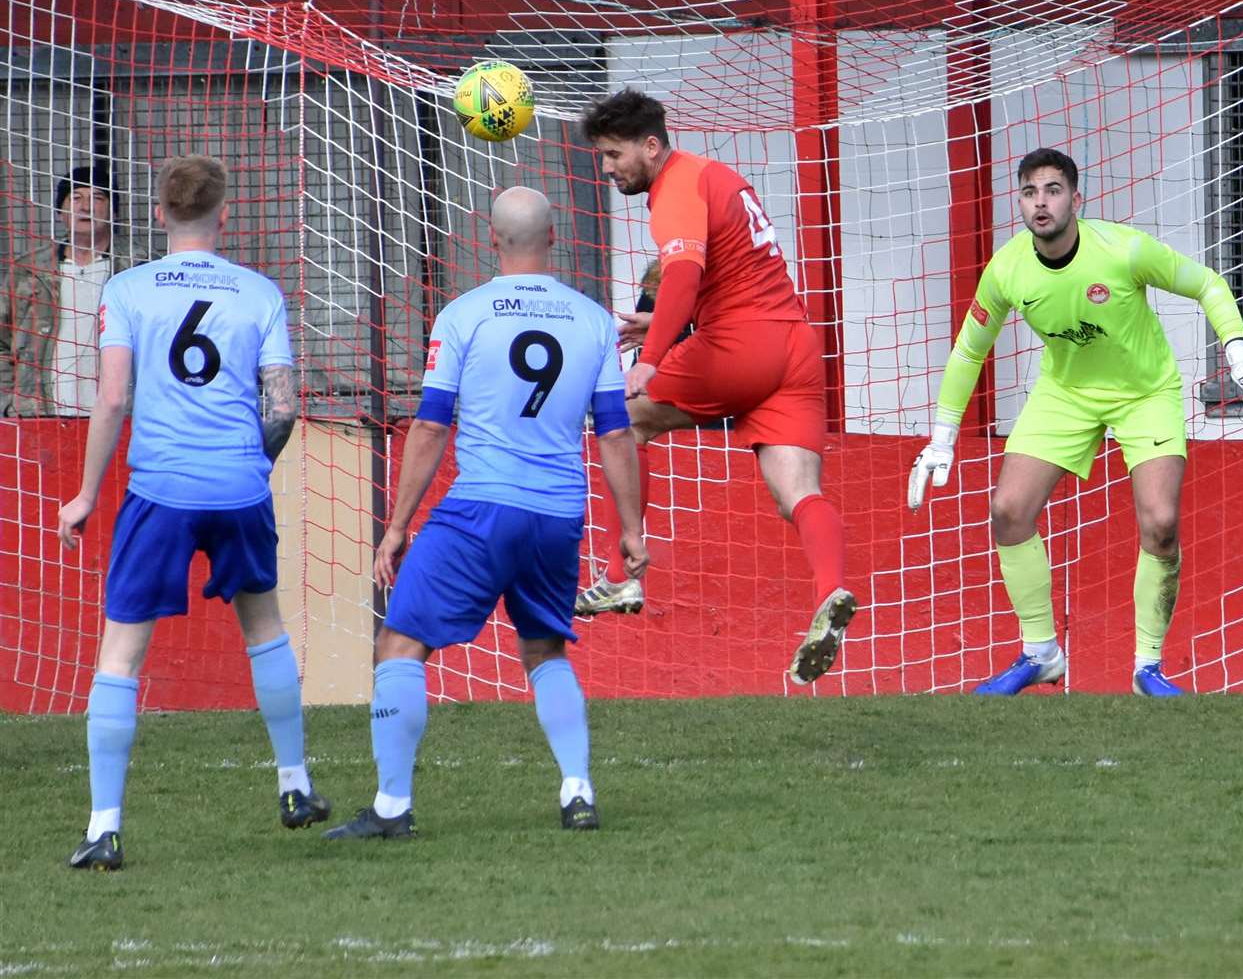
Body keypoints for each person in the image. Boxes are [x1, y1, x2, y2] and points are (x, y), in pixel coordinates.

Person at [323, 186, 646, 841]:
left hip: (481, 510)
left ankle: (390, 809)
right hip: (557, 515)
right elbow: (614, 433)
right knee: (544, 647)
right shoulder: (590, 321)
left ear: (488, 239)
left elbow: (431, 424)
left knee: (399, 643)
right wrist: (632, 530)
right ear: (554, 239)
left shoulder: (463, 315)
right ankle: (577, 792)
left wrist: (396, 526)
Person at [908, 148, 1243, 697]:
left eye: (1053, 190)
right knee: (1008, 511)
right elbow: (969, 349)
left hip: (1144, 394)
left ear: (1076, 199)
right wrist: (942, 436)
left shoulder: (1123, 249)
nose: (1041, 202)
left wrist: (1239, 352)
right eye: (1030, 192)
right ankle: (1041, 653)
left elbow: (1206, 283)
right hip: (1066, 394)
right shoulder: (1007, 268)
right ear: (1021, 202)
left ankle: (1147, 667)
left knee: (1161, 524)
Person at [56, 154, 323, 871]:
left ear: (157, 214)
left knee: (120, 655)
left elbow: (112, 398)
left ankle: (103, 827)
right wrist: (251, 467)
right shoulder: (258, 292)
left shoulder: (128, 288)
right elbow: (285, 405)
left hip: (162, 492)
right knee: (264, 630)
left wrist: (85, 495)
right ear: (225, 215)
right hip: (239, 487)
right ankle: (295, 785)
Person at [576, 89, 855, 685]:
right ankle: (832, 593)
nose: (607, 168)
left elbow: (682, 274)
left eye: (613, 154)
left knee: (621, 416)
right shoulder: (718, 176)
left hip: (740, 348)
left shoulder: (674, 187)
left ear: (651, 147)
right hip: (796, 348)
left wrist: (651, 359)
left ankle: (622, 573)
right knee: (796, 493)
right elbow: (732, 272)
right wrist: (663, 322)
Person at [1, 163, 142, 416]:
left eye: (97, 197)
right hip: (40, 417)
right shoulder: (28, 271)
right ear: (60, 211)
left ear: (113, 209)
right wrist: (9, 402)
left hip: (124, 416)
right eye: (75, 197)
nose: (86, 206)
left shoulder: (139, 268)